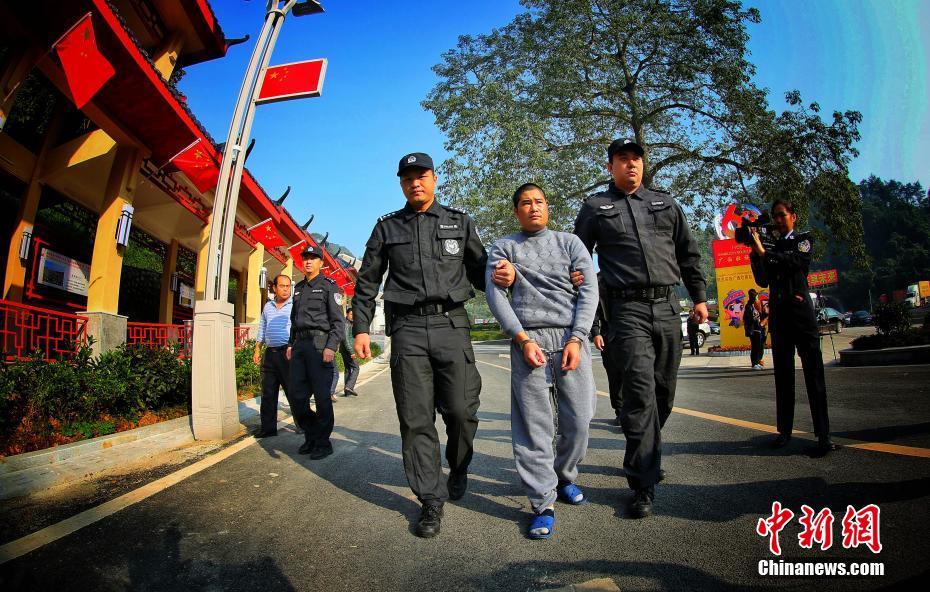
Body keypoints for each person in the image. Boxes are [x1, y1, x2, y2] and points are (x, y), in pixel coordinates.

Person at [352, 152, 500, 538]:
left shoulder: (459, 222)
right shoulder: (387, 227)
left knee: (462, 411)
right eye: (407, 178)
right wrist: (361, 328)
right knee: (416, 418)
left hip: (452, 324)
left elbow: (482, 272)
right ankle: (431, 499)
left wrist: (511, 280)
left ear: (434, 179)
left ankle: (459, 466)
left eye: (421, 176)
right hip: (408, 329)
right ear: (401, 184)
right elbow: (367, 279)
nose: (415, 183)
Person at [573, 138, 707, 519]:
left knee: (664, 391)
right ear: (610, 166)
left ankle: (650, 451)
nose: (631, 164)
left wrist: (699, 297)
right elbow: (578, 257)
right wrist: (583, 291)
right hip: (626, 310)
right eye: (622, 159)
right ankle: (642, 482)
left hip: (667, 306)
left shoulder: (665, 203)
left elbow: (688, 253)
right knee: (639, 395)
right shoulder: (596, 207)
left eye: (636, 159)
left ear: (643, 165)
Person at [485, 183, 598, 539]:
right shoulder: (504, 247)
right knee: (534, 427)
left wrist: (578, 338)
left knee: (580, 419)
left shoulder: (570, 243)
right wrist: (521, 339)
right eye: (525, 203)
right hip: (528, 341)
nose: (533, 207)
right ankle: (542, 503)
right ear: (516, 211)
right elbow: (495, 295)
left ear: (548, 207)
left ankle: (565, 476)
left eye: (539, 202)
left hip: (570, 339)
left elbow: (589, 290)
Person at [748, 198, 838, 458]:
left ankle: (824, 435)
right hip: (780, 316)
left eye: (782, 215)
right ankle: (784, 431)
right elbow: (762, 280)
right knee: (783, 376)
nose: (778, 220)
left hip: (801, 315)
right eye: (775, 216)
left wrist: (765, 253)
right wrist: (755, 253)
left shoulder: (803, 240)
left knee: (814, 373)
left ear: (793, 216)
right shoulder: (771, 246)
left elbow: (794, 263)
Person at [288, 245, 345, 460]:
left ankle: (323, 443)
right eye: (306, 258)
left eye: (313, 258)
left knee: (322, 399)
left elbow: (338, 322)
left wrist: (331, 346)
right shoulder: (299, 288)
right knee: (296, 396)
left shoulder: (329, 286)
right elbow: (294, 320)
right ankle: (312, 435)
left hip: (320, 345)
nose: (308, 261)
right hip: (300, 345)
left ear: (321, 262)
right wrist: (291, 344)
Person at [253, 274, 297, 438]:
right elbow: (262, 327)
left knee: (293, 391)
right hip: (270, 355)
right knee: (268, 393)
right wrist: (257, 349)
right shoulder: (268, 306)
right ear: (274, 288)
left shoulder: (294, 305)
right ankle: (268, 428)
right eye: (282, 286)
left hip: (288, 354)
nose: (286, 289)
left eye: (288, 286)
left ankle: (302, 424)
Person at [591, 275, 623, 427]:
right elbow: (593, 309)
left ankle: (636, 413)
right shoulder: (599, 280)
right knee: (614, 375)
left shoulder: (631, 275)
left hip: (632, 331)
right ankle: (620, 411)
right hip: (609, 335)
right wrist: (596, 333)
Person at [330, 308, 360, 398]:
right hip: (348, 350)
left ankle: (347, 391)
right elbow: (346, 339)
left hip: (344, 350)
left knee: (347, 369)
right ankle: (349, 387)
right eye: (351, 314)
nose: (353, 316)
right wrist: (352, 352)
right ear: (347, 314)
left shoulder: (348, 323)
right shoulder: (346, 324)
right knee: (356, 368)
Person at [744, 289, 765, 369]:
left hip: (759, 328)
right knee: (755, 346)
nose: (757, 297)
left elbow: (762, 315)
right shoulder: (749, 306)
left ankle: (758, 361)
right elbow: (746, 318)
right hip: (753, 329)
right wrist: (754, 319)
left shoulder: (758, 304)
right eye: (756, 296)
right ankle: (754, 363)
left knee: (759, 346)